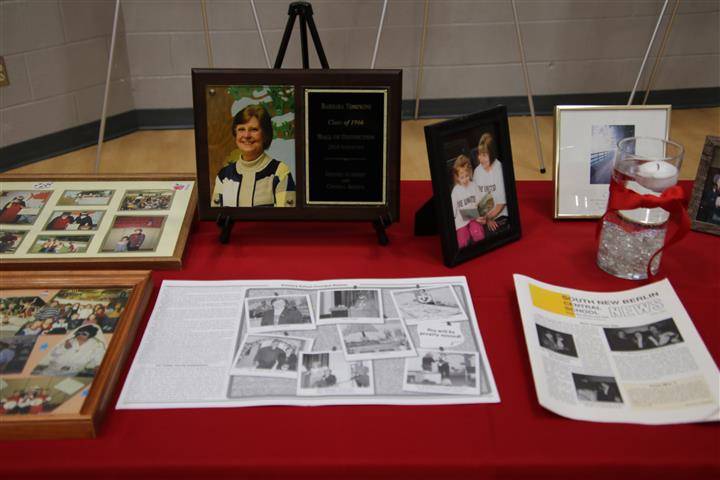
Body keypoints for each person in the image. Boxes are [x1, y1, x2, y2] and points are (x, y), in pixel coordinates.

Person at [212, 104, 296, 208]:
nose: (247, 135)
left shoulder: (280, 172)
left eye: (254, 129)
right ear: (235, 134)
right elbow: (215, 220)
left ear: (265, 135)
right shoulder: (224, 176)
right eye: (241, 129)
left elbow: (286, 220)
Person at [32, 325, 106, 377]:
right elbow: (54, 353)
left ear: (91, 335)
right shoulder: (70, 340)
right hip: (53, 367)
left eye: (84, 334)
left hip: (71, 371)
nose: (80, 335)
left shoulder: (97, 345)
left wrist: (97, 366)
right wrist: (64, 347)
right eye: (79, 333)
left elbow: (99, 359)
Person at [473, 133, 509, 234]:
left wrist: (489, 218)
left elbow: (501, 203)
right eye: (479, 154)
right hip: (483, 215)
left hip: (499, 214)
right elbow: (477, 199)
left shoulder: (500, 169)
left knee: (489, 233)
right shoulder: (477, 171)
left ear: (492, 153)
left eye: (484, 155)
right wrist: (480, 217)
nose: (480, 159)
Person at [450, 154, 485, 249]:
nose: (465, 179)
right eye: (462, 177)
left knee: (478, 234)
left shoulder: (473, 185)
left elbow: (480, 203)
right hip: (461, 221)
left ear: (470, 173)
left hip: (475, 218)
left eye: (467, 176)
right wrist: (473, 216)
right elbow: (454, 213)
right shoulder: (455, 192)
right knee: (462, 241)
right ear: (457, 177)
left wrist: (483, 216)